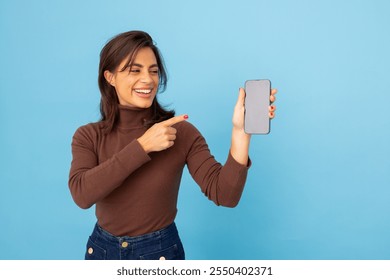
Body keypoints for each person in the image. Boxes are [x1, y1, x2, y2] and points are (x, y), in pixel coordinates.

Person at [68, 30, 277, 260]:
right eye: (134, 70)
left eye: (154, 71)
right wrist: (142, 146)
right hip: (101, 251)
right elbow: (82, 195)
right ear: (110, 77)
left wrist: (241, 132)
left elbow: (225, 195)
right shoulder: (88, 136)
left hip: (159, 253)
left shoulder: (180, 132)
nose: (147, 79)